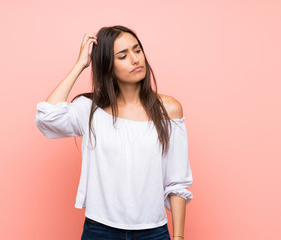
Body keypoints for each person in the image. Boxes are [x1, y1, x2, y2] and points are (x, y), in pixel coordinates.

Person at [35, 25, 193, 240]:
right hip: (100, 230)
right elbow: (47, 117)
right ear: (108, 66)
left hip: (153, 232)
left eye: (137, 50)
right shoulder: (90, 109)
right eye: (123, 55)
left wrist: (178, 237)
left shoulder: (169, 109)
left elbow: (177, 181)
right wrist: (80, 65)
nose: (135, 59)